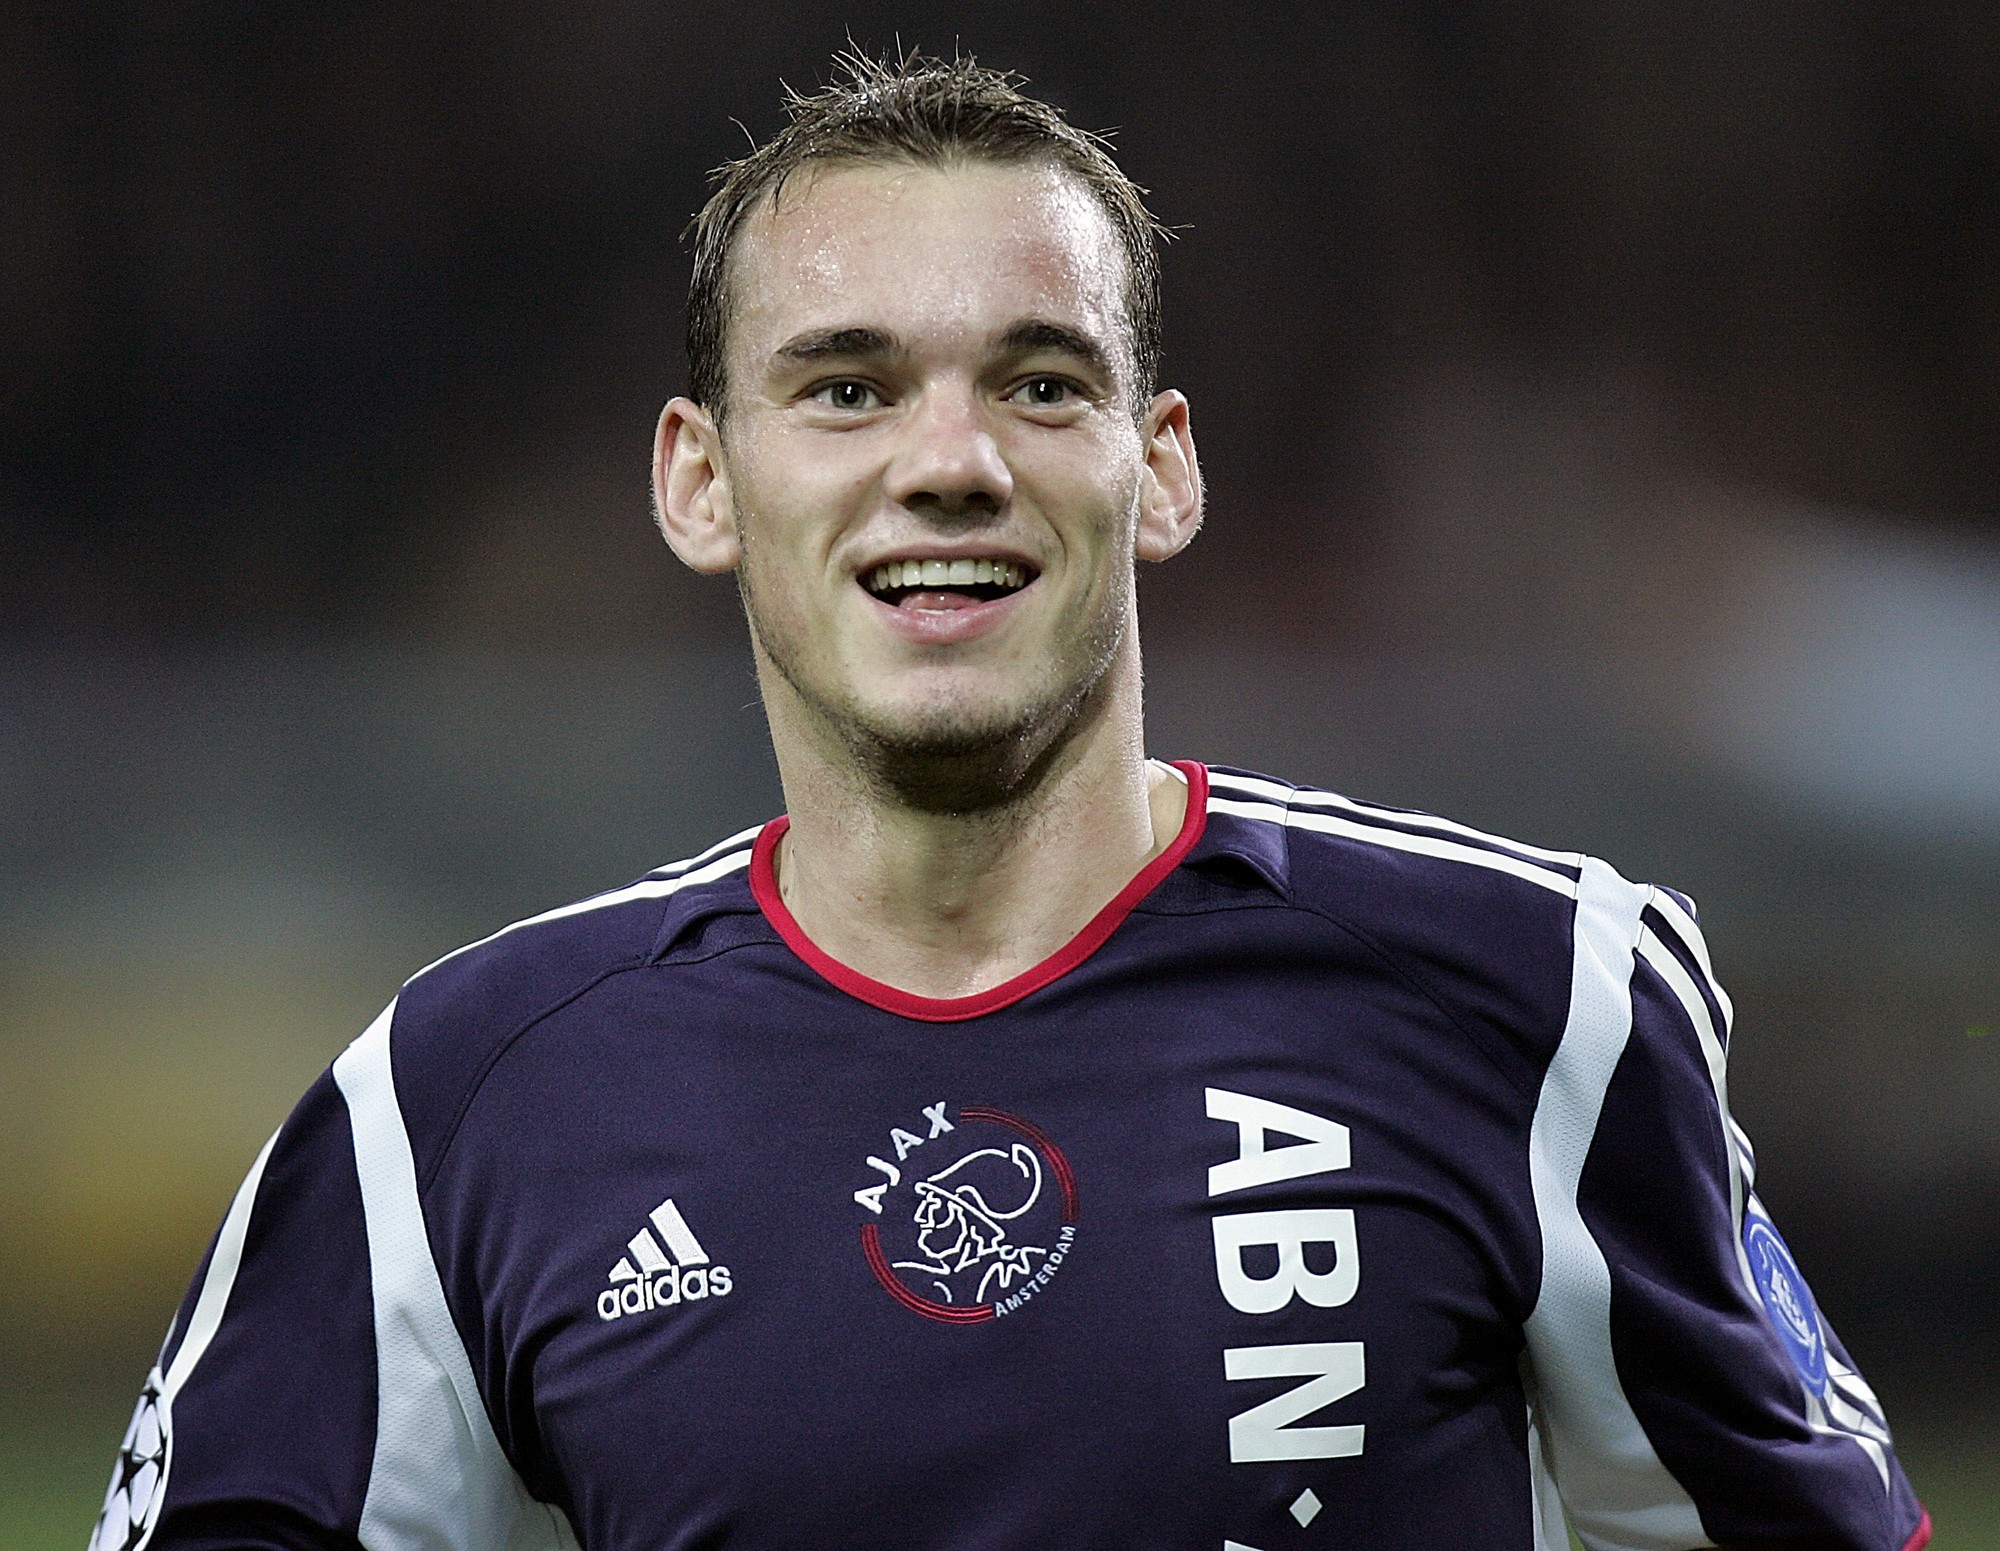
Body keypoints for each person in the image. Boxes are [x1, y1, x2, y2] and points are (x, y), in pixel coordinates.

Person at [93, 53, 1929, 1551]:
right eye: (848, 389)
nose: (950, 462)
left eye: (1040, 384)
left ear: (1161, 468)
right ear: (700, 483)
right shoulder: (462, 1099)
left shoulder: (1530, 993)